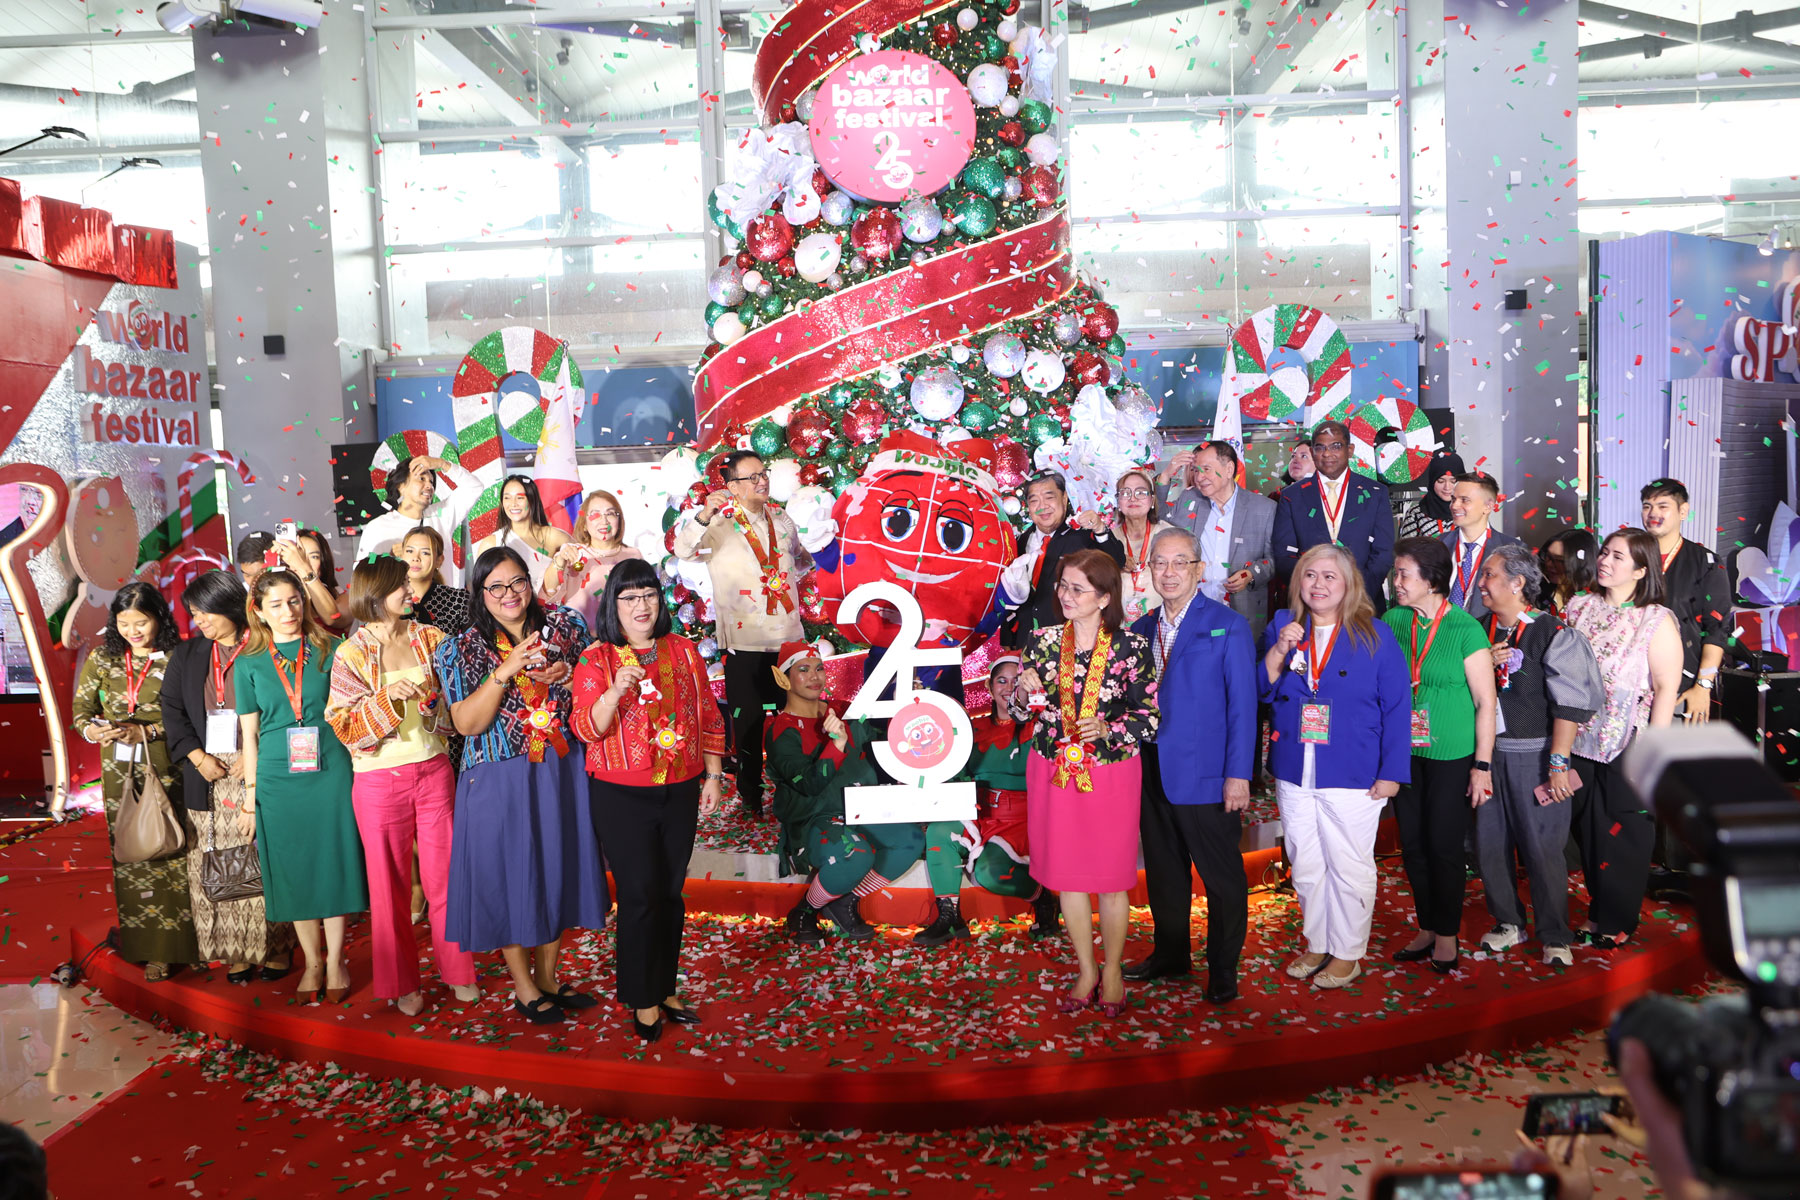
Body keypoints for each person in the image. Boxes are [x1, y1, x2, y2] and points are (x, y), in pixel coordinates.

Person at [435, 546, 606, 1024]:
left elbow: (595, 687)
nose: (509, 594)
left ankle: (548, 976)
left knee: (557, 867)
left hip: (560, 767)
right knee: (510, 875)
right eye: (496, 587)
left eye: (517, 582)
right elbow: (466, 723)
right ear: (479, 593)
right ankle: (524, 985)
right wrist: (503, 671)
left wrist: (569, 677)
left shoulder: (566, 627)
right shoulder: (460, 648)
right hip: (498, 775)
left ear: (530, 583)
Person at [570, 560, 726, 1042]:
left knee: (670, 893)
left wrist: (714, 775)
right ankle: (642, 997)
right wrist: (614, 692)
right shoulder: (596, 660)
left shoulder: (683, 651)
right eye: (630, 597)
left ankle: (664, 987)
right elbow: (585, 728)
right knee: (639, 895)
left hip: (680, 788)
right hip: (621, 795)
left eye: (649, 595)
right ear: (613, 605)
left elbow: (707, 713)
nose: (642, 605)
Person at [324, 556, 477, 1016]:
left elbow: (454, 704)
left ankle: (458, 971)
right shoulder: (351, 653)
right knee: (388, 889)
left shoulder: (432, 638)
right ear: (375, 594)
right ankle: (403, 984)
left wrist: (433, 705)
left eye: (409, 585)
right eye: (401, 587)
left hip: (434, 771)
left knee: (445, 878)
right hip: (377, 783)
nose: (411, 592)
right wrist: (386, 698)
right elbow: (343, 725)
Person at [1260, 543, 1410, 989]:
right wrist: (1278, 651)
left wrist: (1392, 772)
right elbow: (1261, 690)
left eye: (1329, 576)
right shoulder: (1283, 625)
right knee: (1305, 862)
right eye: (1310, 575)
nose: (1318, 584)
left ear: (1348, 585)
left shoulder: (1374, 634)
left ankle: (1348, 952)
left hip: (1353, 770)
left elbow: (1397, 707)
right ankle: (1319, 942)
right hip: (1295, 768)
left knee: (1348, 863)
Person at [1016, 549, 1158, 1015]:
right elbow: (1022, 712)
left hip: (1110, 773)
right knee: (1068, 877)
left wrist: (1109, 729)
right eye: (1063, 586)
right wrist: (1021, 693)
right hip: (1053, 770)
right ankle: (1086, 969)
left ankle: (1112, 970)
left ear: (1104, 597)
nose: (1066, 595)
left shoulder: (1131, 647)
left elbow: (1149, 718)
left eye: (1078, 589)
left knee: (1112, 879)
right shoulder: (1041, 641)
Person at [1124, 527, 1256, 1004]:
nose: (1170, 572)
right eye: (1160, 562)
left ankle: (1223, 969)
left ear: (1199, 570)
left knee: (1221, 877)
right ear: (1149, 571)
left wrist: (1239, 774)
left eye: (1180, 562)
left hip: (1207, 774)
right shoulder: (1141, 630)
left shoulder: (1227, 625)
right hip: (1151, 768)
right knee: (1164, 871)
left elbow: (1244, 706)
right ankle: (1171, 954)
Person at [235, 570, 367, 1002]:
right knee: (293, 867)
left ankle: (336, 959)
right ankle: (311, 960)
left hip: (331, 766)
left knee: (332, 859)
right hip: (277, 775)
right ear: (258, 611)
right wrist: (251, 796)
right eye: (275, 605)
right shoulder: (248, 661)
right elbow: (249, 736)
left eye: (294, 600)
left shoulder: (332, 648)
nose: (288, 611)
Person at [1473, 544, 1604, 967]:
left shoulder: (1553, 632)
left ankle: (1554, 933)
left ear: (1517, 583)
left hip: (1536, 757)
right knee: (1490, 843)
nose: (1481, 583)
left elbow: (1569, 703)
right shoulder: (1476, 630)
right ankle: (1508, 921)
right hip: (1485, 755)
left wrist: (1558, 763)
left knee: (1544, 849)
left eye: (1490, 575)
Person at [161, 570, 294, 983]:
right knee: (215, 861)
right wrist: (197, 757)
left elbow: (287, 708)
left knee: (262, 858)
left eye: (206, 612)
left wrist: (257, 756)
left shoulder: (266, 646)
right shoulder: (188, 655)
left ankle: (277, 947)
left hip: (260, 765)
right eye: (194, 614)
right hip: (208, 772)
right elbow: (172, 711)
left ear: (231, 606)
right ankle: (235, 951)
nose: (199, 621)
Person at [72, 582, 202, 982]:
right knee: (132, 851)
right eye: (124, 623)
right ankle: (147, 946)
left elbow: (193, 715)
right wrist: (93, 731)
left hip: (169, 765)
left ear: (159, 618)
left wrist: (147, 731)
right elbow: (81, 709)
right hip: (119, 773)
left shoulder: (180, 656)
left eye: (140, 622)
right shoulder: (103, 657)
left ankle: (184, 946)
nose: (132, 631)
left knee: (174, 848)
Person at [673, 450, 811, 818]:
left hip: (789, 641)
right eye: (752, 477)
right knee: (748, 728)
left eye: (764, 474)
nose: (762, 481)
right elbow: (682, 549)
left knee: (793, 724)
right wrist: (705, 513)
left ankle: (796, 795)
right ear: (732, 487)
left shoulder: (782, 518)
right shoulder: (718, 524)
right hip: (744, 645)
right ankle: (751, 800)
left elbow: (800, 558)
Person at [1562, 529, 1682, 948]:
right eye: (1604, 553)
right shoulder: (1579, 607)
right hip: (1576, 736)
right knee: (1588, 828)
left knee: (1623, 830)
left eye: (1617, 557)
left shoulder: (1655, 619)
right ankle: (1599, 910)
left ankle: (1617, 919)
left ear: (1641, 570)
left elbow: (1666, 687)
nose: (1605, 561)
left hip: (1628, 739)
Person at [1383, 538, 1498, 972]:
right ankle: (1428, 926)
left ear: (1431, 580)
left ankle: (1448, 934)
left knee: (1444, 846)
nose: (1396, 582)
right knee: (1413, 845)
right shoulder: (1393, 620)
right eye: (1395, 573)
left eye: (1403, 574)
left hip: (1452, 755)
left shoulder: (1465, 629)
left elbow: (1486, 703)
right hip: (1404, 751)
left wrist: (1482, 766)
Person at [766, 643, 926, 942]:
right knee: (854, 853)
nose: (815, 676)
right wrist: (837, 743)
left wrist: (912, 709)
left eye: (819, 668)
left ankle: (845, 900)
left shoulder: (843, 709)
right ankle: (805, 911)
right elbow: (808, 784)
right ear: (782, 678)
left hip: (863, 806)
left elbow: (886, 737)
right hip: (817, 817)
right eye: (803, 670)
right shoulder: (780, 730)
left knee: (910, 841)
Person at [914, 657, 1062, 945]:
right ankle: (949, 917)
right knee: (940, 832)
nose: (1009, 688)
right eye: (1001, 681)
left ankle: (1043, 899)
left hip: (1020, 820)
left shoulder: (1040, 726)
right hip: (978, 813)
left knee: (989, 874)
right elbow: (950, 767)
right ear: (989, 686)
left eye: (1016, 681)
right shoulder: (972, 728)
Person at [1272, 420, 1396, 612]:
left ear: (1350, 450)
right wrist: (1314, 593)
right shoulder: (1291, 496)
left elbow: (1383, 553)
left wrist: (1356, 593)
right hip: (1310, 605)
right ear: (1313, 452)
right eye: (1320, 447)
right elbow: (1284, 555)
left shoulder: (1375, 493)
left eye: (1336, 446)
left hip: (1363, 603)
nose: (1327, 454)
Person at [1162, 440, 1277, 640]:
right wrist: (1165, 475)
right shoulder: (1190, 500)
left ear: (1229, 469)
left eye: (1206, 469)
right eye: (1196, 470)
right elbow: (1157, 517)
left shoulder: (1264, 508)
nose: (1199, 477)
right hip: (1194, 611)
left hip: (1242, 612)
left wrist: (1251, 574)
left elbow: (1274, 559)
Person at [1640, 479, 1732, 724]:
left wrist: (1703, 685)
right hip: (1629, 685)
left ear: (1683, 511)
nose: (1653, 514)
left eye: (1663, 506)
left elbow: (1716, 630)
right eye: (1647, 506)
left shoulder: (1706, 563)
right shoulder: (1629, 556)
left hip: (1681, 686)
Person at [999, 471, 1124, 648]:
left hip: (1070, 644)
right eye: (1034, 500)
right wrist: (1007, 640)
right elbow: (1008, 594)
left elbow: (1117, 562)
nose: (1042, 506)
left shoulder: (1082, 537)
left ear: (1064, 498)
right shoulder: (1018, 542)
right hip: (1025, 644)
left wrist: (1100, 529)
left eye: (1049, 497)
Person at [356, 453, 484, 586]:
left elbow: (474, 487)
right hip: (400, 598)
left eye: (431, 482)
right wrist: (391, 558)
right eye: (421, 479)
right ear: (401, 486)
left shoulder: (441, 516)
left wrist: (442, 464)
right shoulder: (378, 527)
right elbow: (362, 576)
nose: (429, 486)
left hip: (441, 598)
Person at [545, 488, 644, 630]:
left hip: (623, 635)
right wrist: (560, 559)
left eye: (610, 513)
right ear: (584, 524)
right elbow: (550, 589)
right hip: (581, 638)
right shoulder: (573, 553)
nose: (604, 521)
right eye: (595, 514)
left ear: (619, 520)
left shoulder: (633, 555)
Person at [1441, 472, 1522, 621]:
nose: (1454, 506)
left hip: (1486, 631)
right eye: (1453, 499)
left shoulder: (1513, 550)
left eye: (1464, 500)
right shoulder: (1438, 544)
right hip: (1437, 629)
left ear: (1488, 506)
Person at [475, 474, 572, 592]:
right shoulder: (491, 543)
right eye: (507, 498)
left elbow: (580, 569)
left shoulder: (555, 537)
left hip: (550, 603)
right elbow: (481, 590)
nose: (513, 503)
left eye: (520, 498)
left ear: (532, 499)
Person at [1110, 469, 1175, 622]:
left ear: (1152, 500)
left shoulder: (1169, 535)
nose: (1133, 498)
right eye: (1125, 493)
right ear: (1118, 501)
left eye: (1140, 492)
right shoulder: (1109, 540)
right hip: (1118, 626)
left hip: (1161, 622)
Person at [270, 527, 351, 633]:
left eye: (313, 557)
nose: (304, 561)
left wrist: (303, 567)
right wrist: (269, 566)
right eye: (297, 555)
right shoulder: (277, 599)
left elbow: (332, 618)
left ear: (323, 562)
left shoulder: (342, 598)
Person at [398, 525, 472, 636]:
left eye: (425, 553)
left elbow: (475, 641)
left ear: (439, 560)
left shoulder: (458, 599)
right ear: (401, 556)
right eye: (409, 551)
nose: (416, 558)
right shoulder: (388, 598)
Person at [1396, 451, 1463, 542]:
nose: (1447, 487)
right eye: (1440, 481)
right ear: (1432, 481)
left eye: (1453, 481)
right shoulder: (1416, 513)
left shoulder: (1469, 510)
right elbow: (1405, 548)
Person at [1538, 527, 1598, 614]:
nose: (1550, 564)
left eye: (1560, 560)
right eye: (1548, 557)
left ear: (1580, 564)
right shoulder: (1538, 594)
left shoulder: (1596, 602)